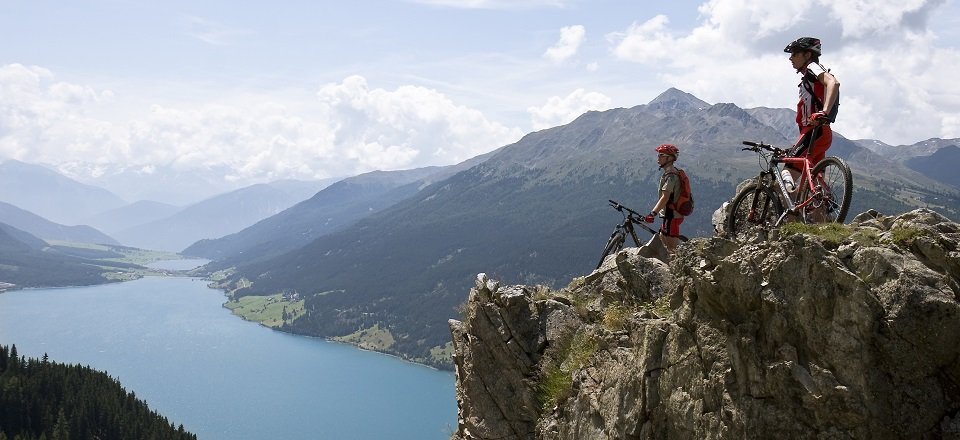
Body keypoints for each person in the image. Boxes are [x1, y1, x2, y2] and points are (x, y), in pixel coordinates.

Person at [783, 37, 840, 181]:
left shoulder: (812, 67)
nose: (790, 58)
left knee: (785, 178)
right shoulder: (807, 77)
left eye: (795, 54)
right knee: (814, 190)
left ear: (807, 55)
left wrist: (824, 112)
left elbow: (833, 82)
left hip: (814, 131)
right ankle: (822, 202)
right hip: (820, 133)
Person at [643, 144, 683, 253]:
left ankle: (678, 267)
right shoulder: (669, 173)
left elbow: (665, 198)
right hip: (669, 215)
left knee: (672, 250)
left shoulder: (671, 176)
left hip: (672, 216)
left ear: (669, 158)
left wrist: (652, 213)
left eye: (661, 155)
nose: (658, 157)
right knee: (663, 238)